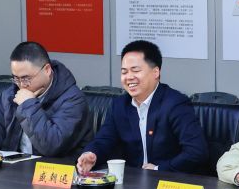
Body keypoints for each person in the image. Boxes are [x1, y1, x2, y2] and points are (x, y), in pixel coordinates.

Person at [76, 40, 207, 175]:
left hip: (169, 181)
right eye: (124, 72)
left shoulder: (175, 104)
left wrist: (158, 170)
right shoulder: (119, 105)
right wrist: (91, 154)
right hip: (133, 182)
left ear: (155, 72)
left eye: (136, 70)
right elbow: (104, 139)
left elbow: (196, 151)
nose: (129, 77)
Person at [0, 42, 86, 158]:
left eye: (26, 78)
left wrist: (28, 104)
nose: (21, 85)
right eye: (16, 78)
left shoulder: (73, 99)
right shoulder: (11, 94)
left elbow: (51, 145)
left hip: (52, 167)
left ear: (47, 70)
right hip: (16, 166)